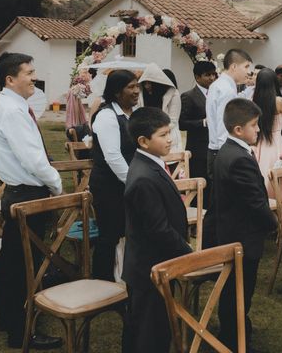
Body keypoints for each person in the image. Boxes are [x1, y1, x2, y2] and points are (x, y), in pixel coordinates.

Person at [0, 52, 62, 349]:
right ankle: (21, 333)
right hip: (27, 194)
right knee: (24, 267)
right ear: (10, 79)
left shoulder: (6, 104)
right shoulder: (13, 110)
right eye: (29, 73)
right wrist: (56, 184)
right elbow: (33, 159)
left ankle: (5, 318)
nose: (34, 77)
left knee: (11, 261)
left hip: (16, 192)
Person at [122, 107, 192, 353]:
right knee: (149, 332)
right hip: (148, 266)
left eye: (169, 132)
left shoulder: (151, 164)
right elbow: (158, 229)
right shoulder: (142, 177)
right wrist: (188, 251)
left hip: (156, 261)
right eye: (163, 135)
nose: (170, 139)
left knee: (153, 326)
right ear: (143, 141)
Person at [213, 98, 278, 351]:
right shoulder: (238, 158)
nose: (258, 129)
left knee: (235, 289)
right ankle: (234, 339)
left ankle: (234, 331)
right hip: (242, 236)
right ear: (238, 129)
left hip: (231, 230)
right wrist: (273, 225)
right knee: (240, 291)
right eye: (254, 125)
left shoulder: (229, 151)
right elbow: (255, 201)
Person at [89, 70, 140, 281]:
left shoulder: (133, 115)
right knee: (109, 233)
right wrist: (134, 182)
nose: (137, 91)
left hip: (128, 181)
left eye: (137, 86)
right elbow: (113, 156)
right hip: (109, 185)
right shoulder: (106, 116)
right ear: (117, 92)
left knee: (127, 230)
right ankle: (101, 279)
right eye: (131, 87)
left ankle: (124, 274)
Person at [203, 49, 253, 247]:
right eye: (246, 67)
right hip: (222, 152)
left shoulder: (219, 85)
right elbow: (225, 127)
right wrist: (232, 155)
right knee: (223, 208)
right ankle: (219, 251)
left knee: (217, 207)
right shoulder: (226, 89)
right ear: (233, 66)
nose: (248, 72)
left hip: (215, 150)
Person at [179, 61, 217, 207]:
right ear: (197, 77)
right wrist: (203, 122)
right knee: (200, 185)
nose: (212, 78)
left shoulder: (216, 93)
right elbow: (182, 123)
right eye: (208, 75)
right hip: (198, 148)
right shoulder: (188, 96)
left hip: (214, 147)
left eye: (213, 74)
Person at [251, 68, 282, 198]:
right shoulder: (278, 101)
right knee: (277, 181)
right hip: (275, 144)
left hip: (259, 144)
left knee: (262, 177)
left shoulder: (254, 99)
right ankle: (280, 213)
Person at [138, 64, 182, 152]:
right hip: (148, 140)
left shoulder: (172, 94)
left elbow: (173, 120)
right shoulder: (141, 94)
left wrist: (155, 131)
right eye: (145, 83)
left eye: (150, 83)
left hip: (168, 138)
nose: (147, 86)